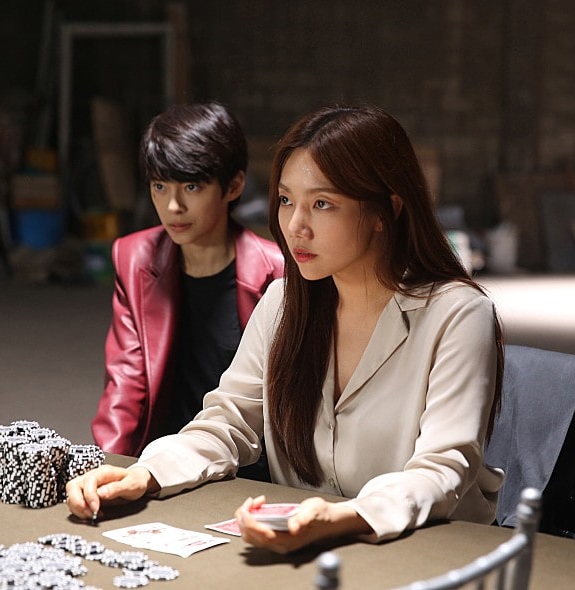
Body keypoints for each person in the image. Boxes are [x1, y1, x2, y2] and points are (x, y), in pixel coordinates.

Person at [68, 104, 505, 554]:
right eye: (285, 200)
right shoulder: (282, 303)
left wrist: (342, 518)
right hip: (308, 548)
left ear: (385, 210)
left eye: (322, 204)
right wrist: (145, 473)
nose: (295, 226)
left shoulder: (458, 314)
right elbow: (227, 422)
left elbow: (442, 468)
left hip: (431, 552)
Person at [90, 102, 284, 482]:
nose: (173, 206)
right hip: (163, 462)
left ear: (234, 186)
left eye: (192, 187)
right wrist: (107, 468)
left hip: (249, 464)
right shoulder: (135, 258)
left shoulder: (278, 273)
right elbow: (126, 383)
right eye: (160, 186)